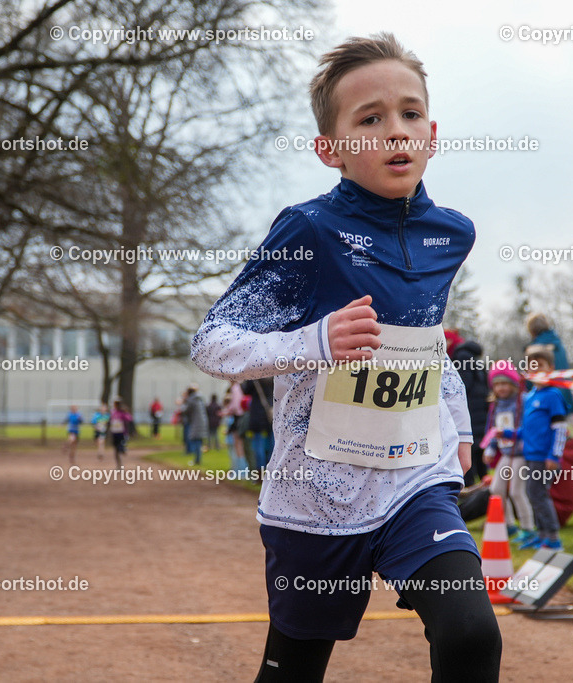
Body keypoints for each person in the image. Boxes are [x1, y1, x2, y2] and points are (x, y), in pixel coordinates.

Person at [190, 34, 501, 682]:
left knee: (471, 631)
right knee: (294, 671)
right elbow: (212, 343)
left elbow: (425, 339)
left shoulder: (451, 234)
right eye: (370, 118)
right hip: (317, 493)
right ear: (329, 149)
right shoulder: (308, 231)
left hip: (415, 476)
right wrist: (315, 341)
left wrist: (460, 425)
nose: (396, 131)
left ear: (433, 132)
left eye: (410, 113)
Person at [495, 346, 568, 551]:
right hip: (529, 454)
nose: (536, 370)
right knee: (532, 494)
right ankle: (541, 535)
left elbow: (561, 428)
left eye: (541, 366)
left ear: (551, 369)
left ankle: (553, 538)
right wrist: (508, 433)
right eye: (531, 366)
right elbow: (526, 430)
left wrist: (554, 455)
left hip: (544, 457)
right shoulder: (530, 397)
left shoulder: (553, 395)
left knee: (538, 495)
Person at [482, 361, 534, 546]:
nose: (501, 388)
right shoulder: (496, 405)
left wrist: (510, 434)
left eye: (505, 383)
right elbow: (493, 429)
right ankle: (510, 524)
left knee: (516, 491)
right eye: (497, 384)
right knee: (496, 489)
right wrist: (490, 448)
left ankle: (528, 529)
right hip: (505, 454)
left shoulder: (523, 401)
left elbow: (527, 428)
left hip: (521, 455)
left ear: (513, 384)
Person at [446, 329, 489, 482]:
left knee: (467, 455)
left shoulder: (460, 357)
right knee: (478, 454)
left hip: (470, 411)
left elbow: (459, 388)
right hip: (480, 412)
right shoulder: (473, 358)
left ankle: (470, 492)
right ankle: (485, 492)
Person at [526, 313, 573, 416]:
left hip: (544, 397)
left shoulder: (535, 349)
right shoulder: (559, 344)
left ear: (531, 330)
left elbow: (531, 379)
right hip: (565, 394)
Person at [182, 385, 208, 466]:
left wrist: (183, 401)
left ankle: (197, 460)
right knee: (199, 442)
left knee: (195, 441)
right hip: (202, 422)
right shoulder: (199, 399)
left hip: (196, 423)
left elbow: (185, 410)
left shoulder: (192, 400)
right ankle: (197, 459)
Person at [109, 399, 132, 469]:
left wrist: (125, 412)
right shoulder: (113, 412)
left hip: (121, 433)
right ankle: (119, 464)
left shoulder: (122, 413)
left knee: (120, 448)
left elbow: (129, 419)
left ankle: (122, 452)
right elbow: (110, 421)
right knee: (116, 449)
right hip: (115, 433)